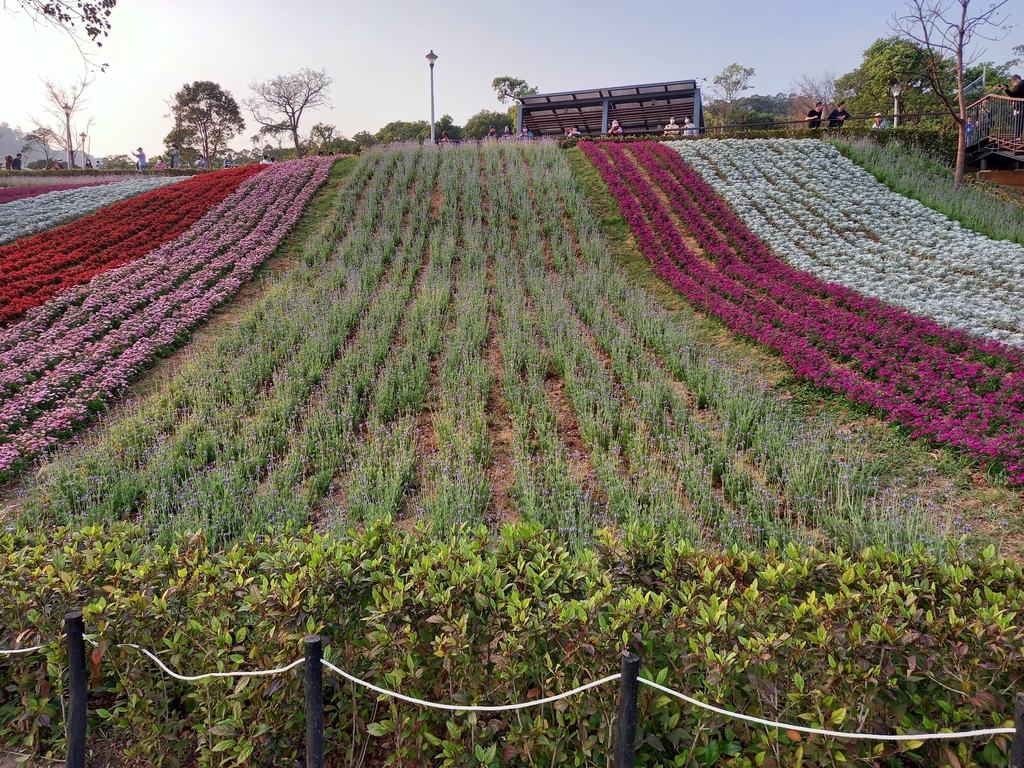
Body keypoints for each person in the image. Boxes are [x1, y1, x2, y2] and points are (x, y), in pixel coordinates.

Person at [998, 75, 1024, 139]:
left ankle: (1017, 137)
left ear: (1016, 79)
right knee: (1018, 119)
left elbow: (1014, 94)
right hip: (1021, 106)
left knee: (1018, 119)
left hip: (1022, 105)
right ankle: (1017, 136)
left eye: (1012, 82)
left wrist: (1005, 89)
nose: (1013, 83)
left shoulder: (1021, 84)